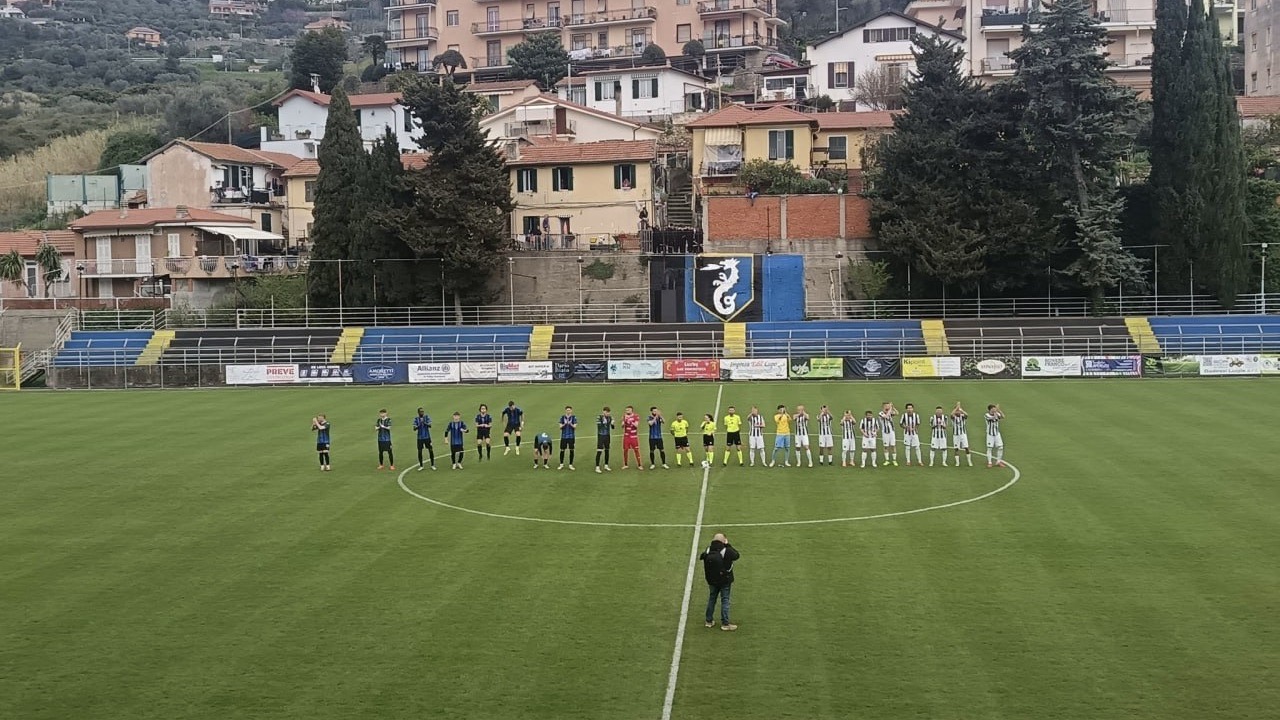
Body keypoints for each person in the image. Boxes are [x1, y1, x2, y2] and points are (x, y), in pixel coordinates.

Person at [699, 532, 740, 631]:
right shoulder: (726, 550)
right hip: (724, 580)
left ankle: (709, 621)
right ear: (723, 540)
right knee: (725, 600)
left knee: (712, 598)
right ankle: (725, 623)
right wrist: (728, 545)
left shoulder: (708, 550)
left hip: (712, 580)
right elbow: (736, 555)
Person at [621, 405, 643, 470]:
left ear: (631, 410)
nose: (627, 411)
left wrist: (630, 421)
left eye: (628, 410)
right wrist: (624, 421)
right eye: (626, 410)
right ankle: (625, 464)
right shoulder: (624, 416)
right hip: (626, 436)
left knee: (636, 450)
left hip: (633, 436)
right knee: (625, 450)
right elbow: (622, 426)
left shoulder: (636, 416)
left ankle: (639, 465)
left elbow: (636, 425)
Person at [952, 402, 973, 467]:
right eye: (957, 411)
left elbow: (967, 415)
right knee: (956, 449)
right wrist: (957, 408)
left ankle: (969, 462)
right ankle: (957, 463)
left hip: (963, 434)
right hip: (956, 435)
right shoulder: (953, 417)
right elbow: (951, 414)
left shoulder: (962, 416)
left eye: (959, 411)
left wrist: (961, 410)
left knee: (966, 447)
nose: (958, 412)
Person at [879, 402, 899, 467]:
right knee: (886, 446)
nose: (887, 407)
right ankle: (887, 460)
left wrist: (893, 407)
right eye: (886, 406)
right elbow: (886, 416)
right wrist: (890, 408)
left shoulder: (890, 412)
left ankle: (894, 460)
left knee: (893, 446)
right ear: (883, 407)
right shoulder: (881, 413)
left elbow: (897, 413)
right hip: (885, 432)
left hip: (891, 432)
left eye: (888, 406)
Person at [985, 404, 1005, 468]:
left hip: (997, 434)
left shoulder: (997, 413)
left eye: (995, 408)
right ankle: (989, 462)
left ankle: (998, 461)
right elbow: (993, 418)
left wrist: (999, 410)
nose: (994, 409)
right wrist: (996, 412)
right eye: (993, 408)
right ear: (990, 409)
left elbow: (1003, 416)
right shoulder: (987, 415)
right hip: (990, 434)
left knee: (1000, 447)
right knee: (989, 448)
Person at [595, 406, 614, 473]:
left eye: (608, 412)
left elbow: (612, 427)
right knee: (599, 451)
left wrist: (612, 423)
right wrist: (604, 422)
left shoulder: (610, 417)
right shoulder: (599, 417)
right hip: (601, 436)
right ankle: (597, 467)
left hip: (607, 436)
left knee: (607, 450)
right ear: (603, 411)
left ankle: (606, 465)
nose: (607, 413)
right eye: (606, 412)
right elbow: (599, 426)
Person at [558, 405, 578, 470]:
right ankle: (561, 464)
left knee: (571, 450)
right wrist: (564, 424)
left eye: (569, 410)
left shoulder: (574, 417)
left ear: (571, 410)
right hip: (563, 437)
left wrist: (570, 424)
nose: (568, 411)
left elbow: (575, 427)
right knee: (562, 450)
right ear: (565, 411)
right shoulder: (562, 417)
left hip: (571, 437)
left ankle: (570, 464)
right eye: (567, 410)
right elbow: (560, 427)